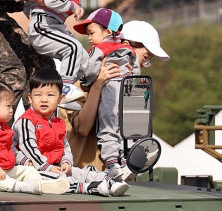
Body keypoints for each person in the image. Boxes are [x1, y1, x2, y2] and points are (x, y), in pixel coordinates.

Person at [65, 20, 170, 171]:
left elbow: (136, 134)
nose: (142, 65)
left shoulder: (133, 89)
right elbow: (83, 128)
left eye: (149, 61)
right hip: (82, 178)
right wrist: (98, 85)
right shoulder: (79, 86)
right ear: (125, 47)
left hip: (115, 178)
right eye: (145, 57)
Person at [13, 67, 129, 196]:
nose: (44, 100)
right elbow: (29, 149)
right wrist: (47, 167)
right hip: (35, 168)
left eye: (50, 95)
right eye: (38, 95)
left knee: (79, 172)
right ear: (30, 98)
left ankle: (109, 181)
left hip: (56, 166)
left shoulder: (58, 123)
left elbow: (65, 147)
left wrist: (66, 162)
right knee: (57, 181)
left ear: (60, 98)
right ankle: (89, 188)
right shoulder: (26, 121)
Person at [0, 79, 71, 195]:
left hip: (6, 170)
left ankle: (41, 184)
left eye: (12, 106)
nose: (11, 111)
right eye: (8, 106)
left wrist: (24, 160)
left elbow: (11, 149)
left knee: (29, 171)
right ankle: (21, 186)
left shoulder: (4, 127)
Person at [73, 8, 137, 181]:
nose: (89, 38)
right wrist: (133, 78)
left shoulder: (99, 50)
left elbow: (90, 69)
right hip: (125, 97)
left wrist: (86, 81)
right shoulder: (128, 49)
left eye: (91, 32)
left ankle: (111, 164)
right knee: (123, 130)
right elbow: (136, 70)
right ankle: (124, 162)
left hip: (109, 97)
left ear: (107, 31)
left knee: (107, 130)